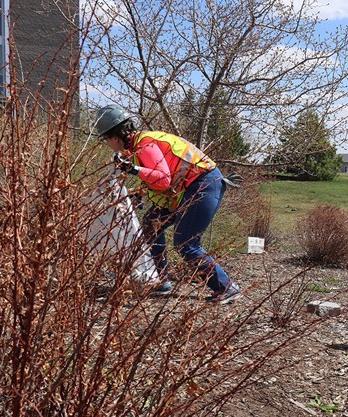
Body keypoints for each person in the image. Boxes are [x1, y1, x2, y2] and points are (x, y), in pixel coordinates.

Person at [94, 104, 241, 305]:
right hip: (188, 188)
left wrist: (134, 170)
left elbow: (163, 179)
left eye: (105, 140)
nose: (107, 144)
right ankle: (161, 281)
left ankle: (226, 287)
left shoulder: (145, 145)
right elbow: (160, 179)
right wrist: (140, 194)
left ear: (115, 137)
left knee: (185, 243)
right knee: (151, 224)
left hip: (203, 185)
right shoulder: (139, 146)